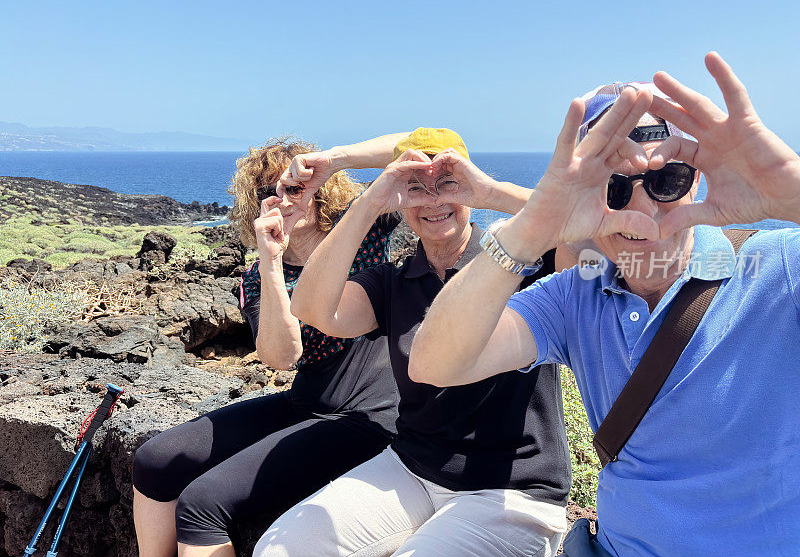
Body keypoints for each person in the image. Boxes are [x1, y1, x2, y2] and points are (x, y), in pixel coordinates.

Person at [410, 52, 800, 556]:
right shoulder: (576, 297)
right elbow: (435, 363)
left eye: (666, 180)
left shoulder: (777, 271)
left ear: (697, 178)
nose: (642, 209)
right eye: (614, 188)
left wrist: (793, 197)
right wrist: (529, 230)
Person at [254, 128, 571, 557]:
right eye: (416, 188)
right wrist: (369, 202)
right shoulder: (396, 282)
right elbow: (312, 309)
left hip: (512, 489)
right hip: (413, 470)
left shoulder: (519, 261)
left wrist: (490, 192)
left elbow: (582, 227)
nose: (434, 200)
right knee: (279, 549)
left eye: (447, 184)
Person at [131, 134, 410, 557]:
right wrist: (272, 259)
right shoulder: (258, 274)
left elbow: (426, 148)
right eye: (268, 191)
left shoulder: (362, 229)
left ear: (319, 191)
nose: (282, 198)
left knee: (202, 504)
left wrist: (330, 160)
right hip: (306, 404)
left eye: (294, 186)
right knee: (153, 463)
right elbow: (282, 357)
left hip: (371, 415)